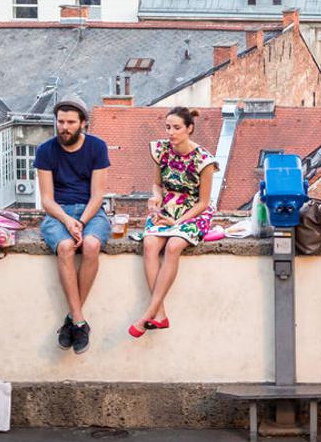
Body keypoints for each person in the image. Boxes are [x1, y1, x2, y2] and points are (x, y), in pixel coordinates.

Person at [129, 107, 216, 338]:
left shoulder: (204, 160)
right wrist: (155, 198)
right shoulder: (161, 150)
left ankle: (148, 312)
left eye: (176, 127)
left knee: (174, 245)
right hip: (167, 206)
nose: (170, 132)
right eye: (168, 127)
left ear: (189, 128)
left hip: (193, 211)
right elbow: (157, 184)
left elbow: (204, 202)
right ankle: (160, 314)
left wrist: (177, 221)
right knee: (149, 244)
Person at [36, 97, 112, 354]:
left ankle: (71, 319)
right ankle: (80, 321)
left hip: (90, 212)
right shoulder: (45, 151)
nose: (64, 127)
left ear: (83, 124)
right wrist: (68, 221)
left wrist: (81, 221)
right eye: (60, 122)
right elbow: (46, 199)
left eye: (70, 122)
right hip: (58, 213)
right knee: (66, 247)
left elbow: (98, 195)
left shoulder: (97, 147)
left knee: (91, 245)